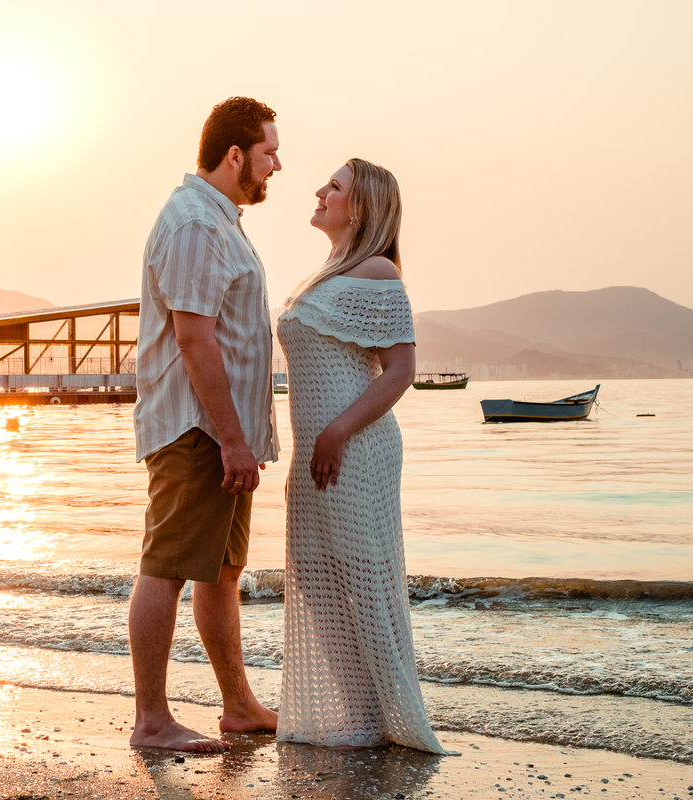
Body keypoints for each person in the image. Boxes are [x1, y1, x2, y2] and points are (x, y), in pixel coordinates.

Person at [275, 158, 450, 754]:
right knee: (320, 580)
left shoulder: (375, 270)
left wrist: (338, 431)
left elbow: (402, 369)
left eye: (334, 187)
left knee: (362, 579)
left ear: (362, 207)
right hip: (317, 451)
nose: (320, 192)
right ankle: (361, 713)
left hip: (355, 447)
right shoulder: (326, 273)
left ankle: (385, 715)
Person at [130, 96, 282, 752]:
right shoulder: (195, 222)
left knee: (221, 571)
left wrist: (240, 437)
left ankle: (238, 705)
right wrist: (231, 438)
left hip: (220, 433)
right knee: (165, 565)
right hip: (199, 431)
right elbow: (195, 339)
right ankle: (152, 721)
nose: (277, 164)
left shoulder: (219, 218)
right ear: (235, 155)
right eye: (270, 151)